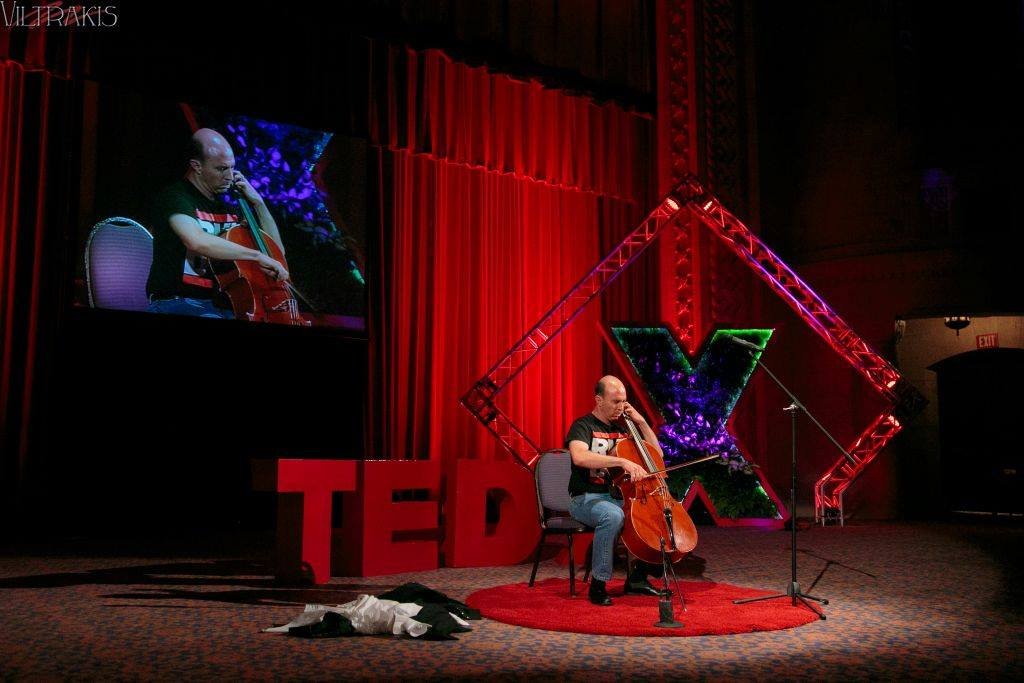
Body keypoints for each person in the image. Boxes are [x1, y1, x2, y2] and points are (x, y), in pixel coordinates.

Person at [146, 128, 289, 318]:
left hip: (227, 305)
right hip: (179, 301)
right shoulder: (175, 197)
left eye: (232, 167)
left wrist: (259, 204)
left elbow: (275, 252)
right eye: (221, 169)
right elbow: (195, 240)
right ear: (197, 166)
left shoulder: (230, 207)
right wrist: (255, 256)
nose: (230, 177)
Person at [565, 375, 667, 606]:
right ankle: (598, 585)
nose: (620, 407)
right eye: (615, 401)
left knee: (655, 515)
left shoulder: (623, 430)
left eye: (624, 402)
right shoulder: (583, 426)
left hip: (616, 498)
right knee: (612, 516)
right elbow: (579, 457)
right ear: (599, 400)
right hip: (585, 498)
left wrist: (641, 422)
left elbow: (656, 456)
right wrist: (622, 462)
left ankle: (638, 578)